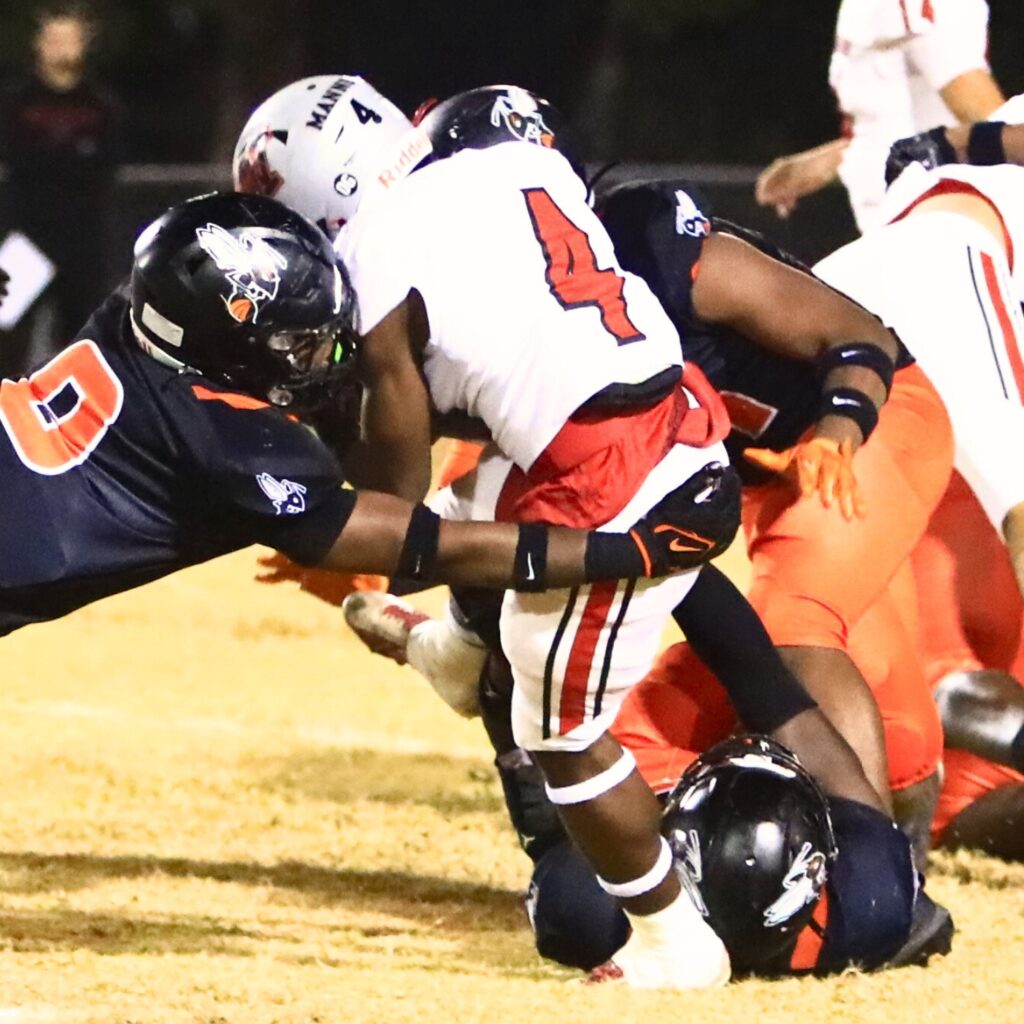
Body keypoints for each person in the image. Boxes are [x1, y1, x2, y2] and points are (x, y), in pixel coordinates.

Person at [232, 77, 910, 988]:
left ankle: (675, 945)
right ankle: (461, 649)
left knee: (563, 732)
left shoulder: (381, 266)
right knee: (498, 513)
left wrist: (330, 486)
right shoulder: (512, 170)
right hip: (682, 432)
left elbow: (393, 488)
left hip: (664, 468)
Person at [0, 189, 737, 642]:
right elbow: (428, 544)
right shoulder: (224, 436)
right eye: (294, 340)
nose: (319, 356)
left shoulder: (135, 319)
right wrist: (627, 551)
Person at [754, 0, 1004, 232]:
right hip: (907, 227)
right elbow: (899, 120)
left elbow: (995, 124)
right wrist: (828, 162)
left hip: (932, 230)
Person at [0, 4, 122, 361]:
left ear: (85, 44)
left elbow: (108, 167)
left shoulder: (102, 105)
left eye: (70, 40)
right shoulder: (15, 102)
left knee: (81, 345)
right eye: (54, 40)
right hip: (24, 240)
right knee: (7, 339)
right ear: (39, 44)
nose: (62, 49)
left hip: (81, 244)